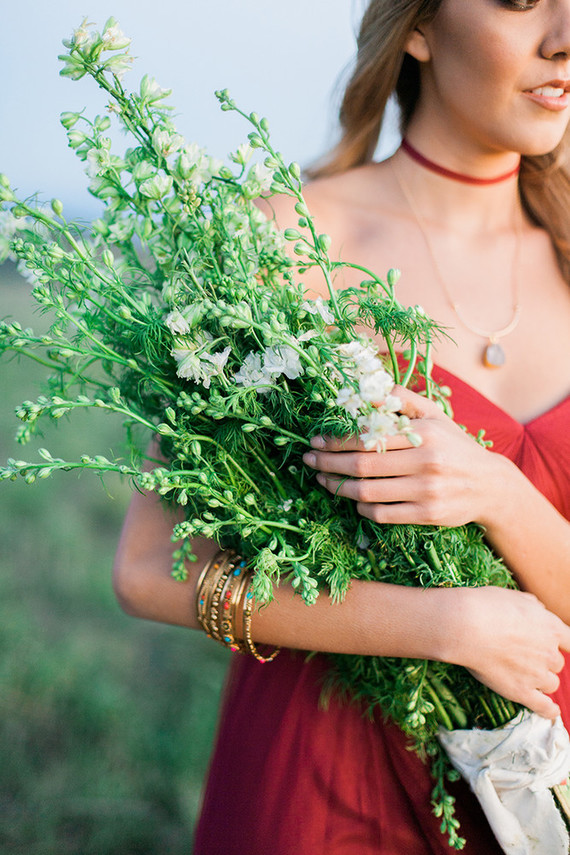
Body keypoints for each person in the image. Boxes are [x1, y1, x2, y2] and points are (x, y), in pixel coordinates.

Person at [112, 1, 570, 852]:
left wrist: (499, 493)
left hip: (539, 791)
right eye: (520, 0)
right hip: (322, 788)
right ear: (421, 26)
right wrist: (441, 625)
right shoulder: (276, 245)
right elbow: (146, 570)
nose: (564, 36)